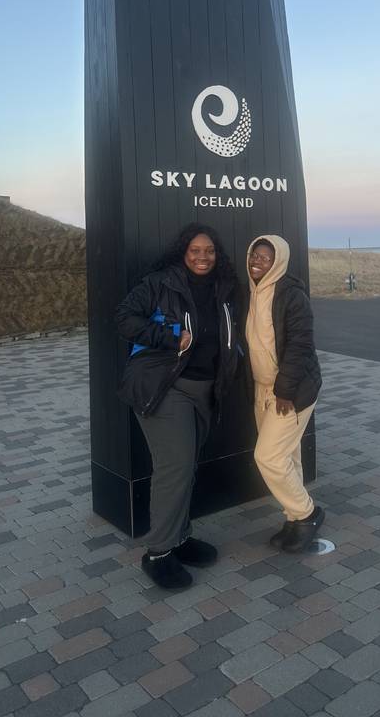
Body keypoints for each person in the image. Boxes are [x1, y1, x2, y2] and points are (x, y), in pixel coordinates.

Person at [116, 224, 237, 589]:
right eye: (195, 250)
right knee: (175, 467)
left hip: (205, 390)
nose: (203, 257)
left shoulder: (224, 288)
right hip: (167, 387)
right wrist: (168, 337)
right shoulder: (161, 283)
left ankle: (179, 538)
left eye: (210, 251)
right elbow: (124, 318)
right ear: (183, 252)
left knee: (185, 468)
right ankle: (158, 553)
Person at [244, 234, 324, 553]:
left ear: (278, 261)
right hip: (263, 389)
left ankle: (308, 513)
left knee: (268, 457)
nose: (257, 262)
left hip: (290, 391)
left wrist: (285, 389)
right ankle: (293, 517)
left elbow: (300, 344)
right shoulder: (253, 290)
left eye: (265, 257)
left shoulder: (290, 293)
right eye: (254, 255)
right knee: (288, 456)